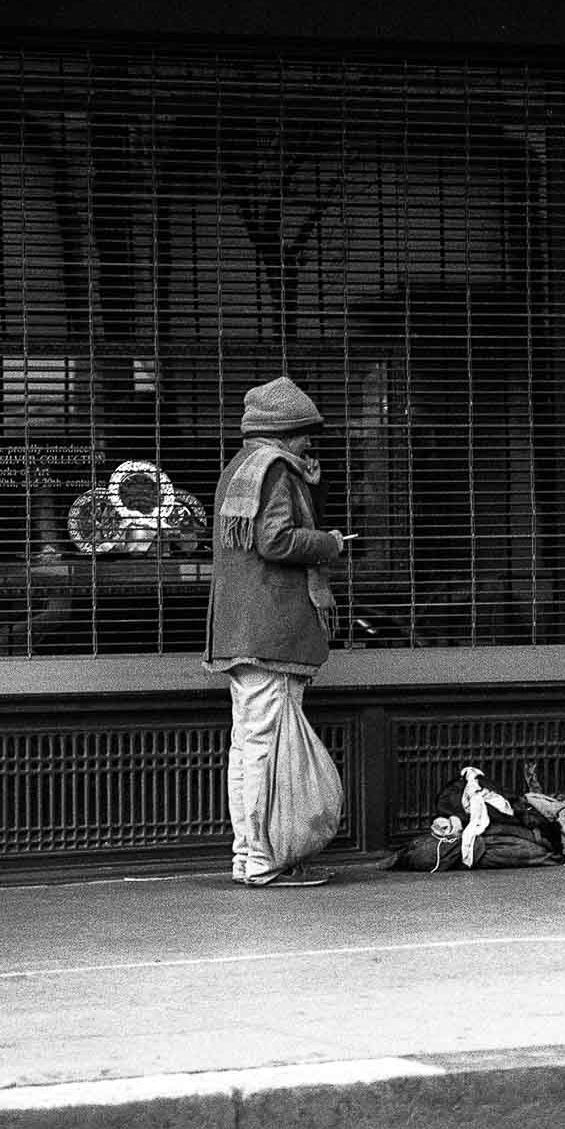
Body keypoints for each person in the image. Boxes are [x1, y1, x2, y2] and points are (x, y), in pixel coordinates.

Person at [204, 376, 347, 886]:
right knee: (263, 747)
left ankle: (247, 856)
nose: (311, 441)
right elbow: (276, 540)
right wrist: (328, 542)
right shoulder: (275, 470)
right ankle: (266, 861)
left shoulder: (237, 469)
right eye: (306, 433)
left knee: (247, 746)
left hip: (238, 631)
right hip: (271, 632)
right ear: (287, 432)